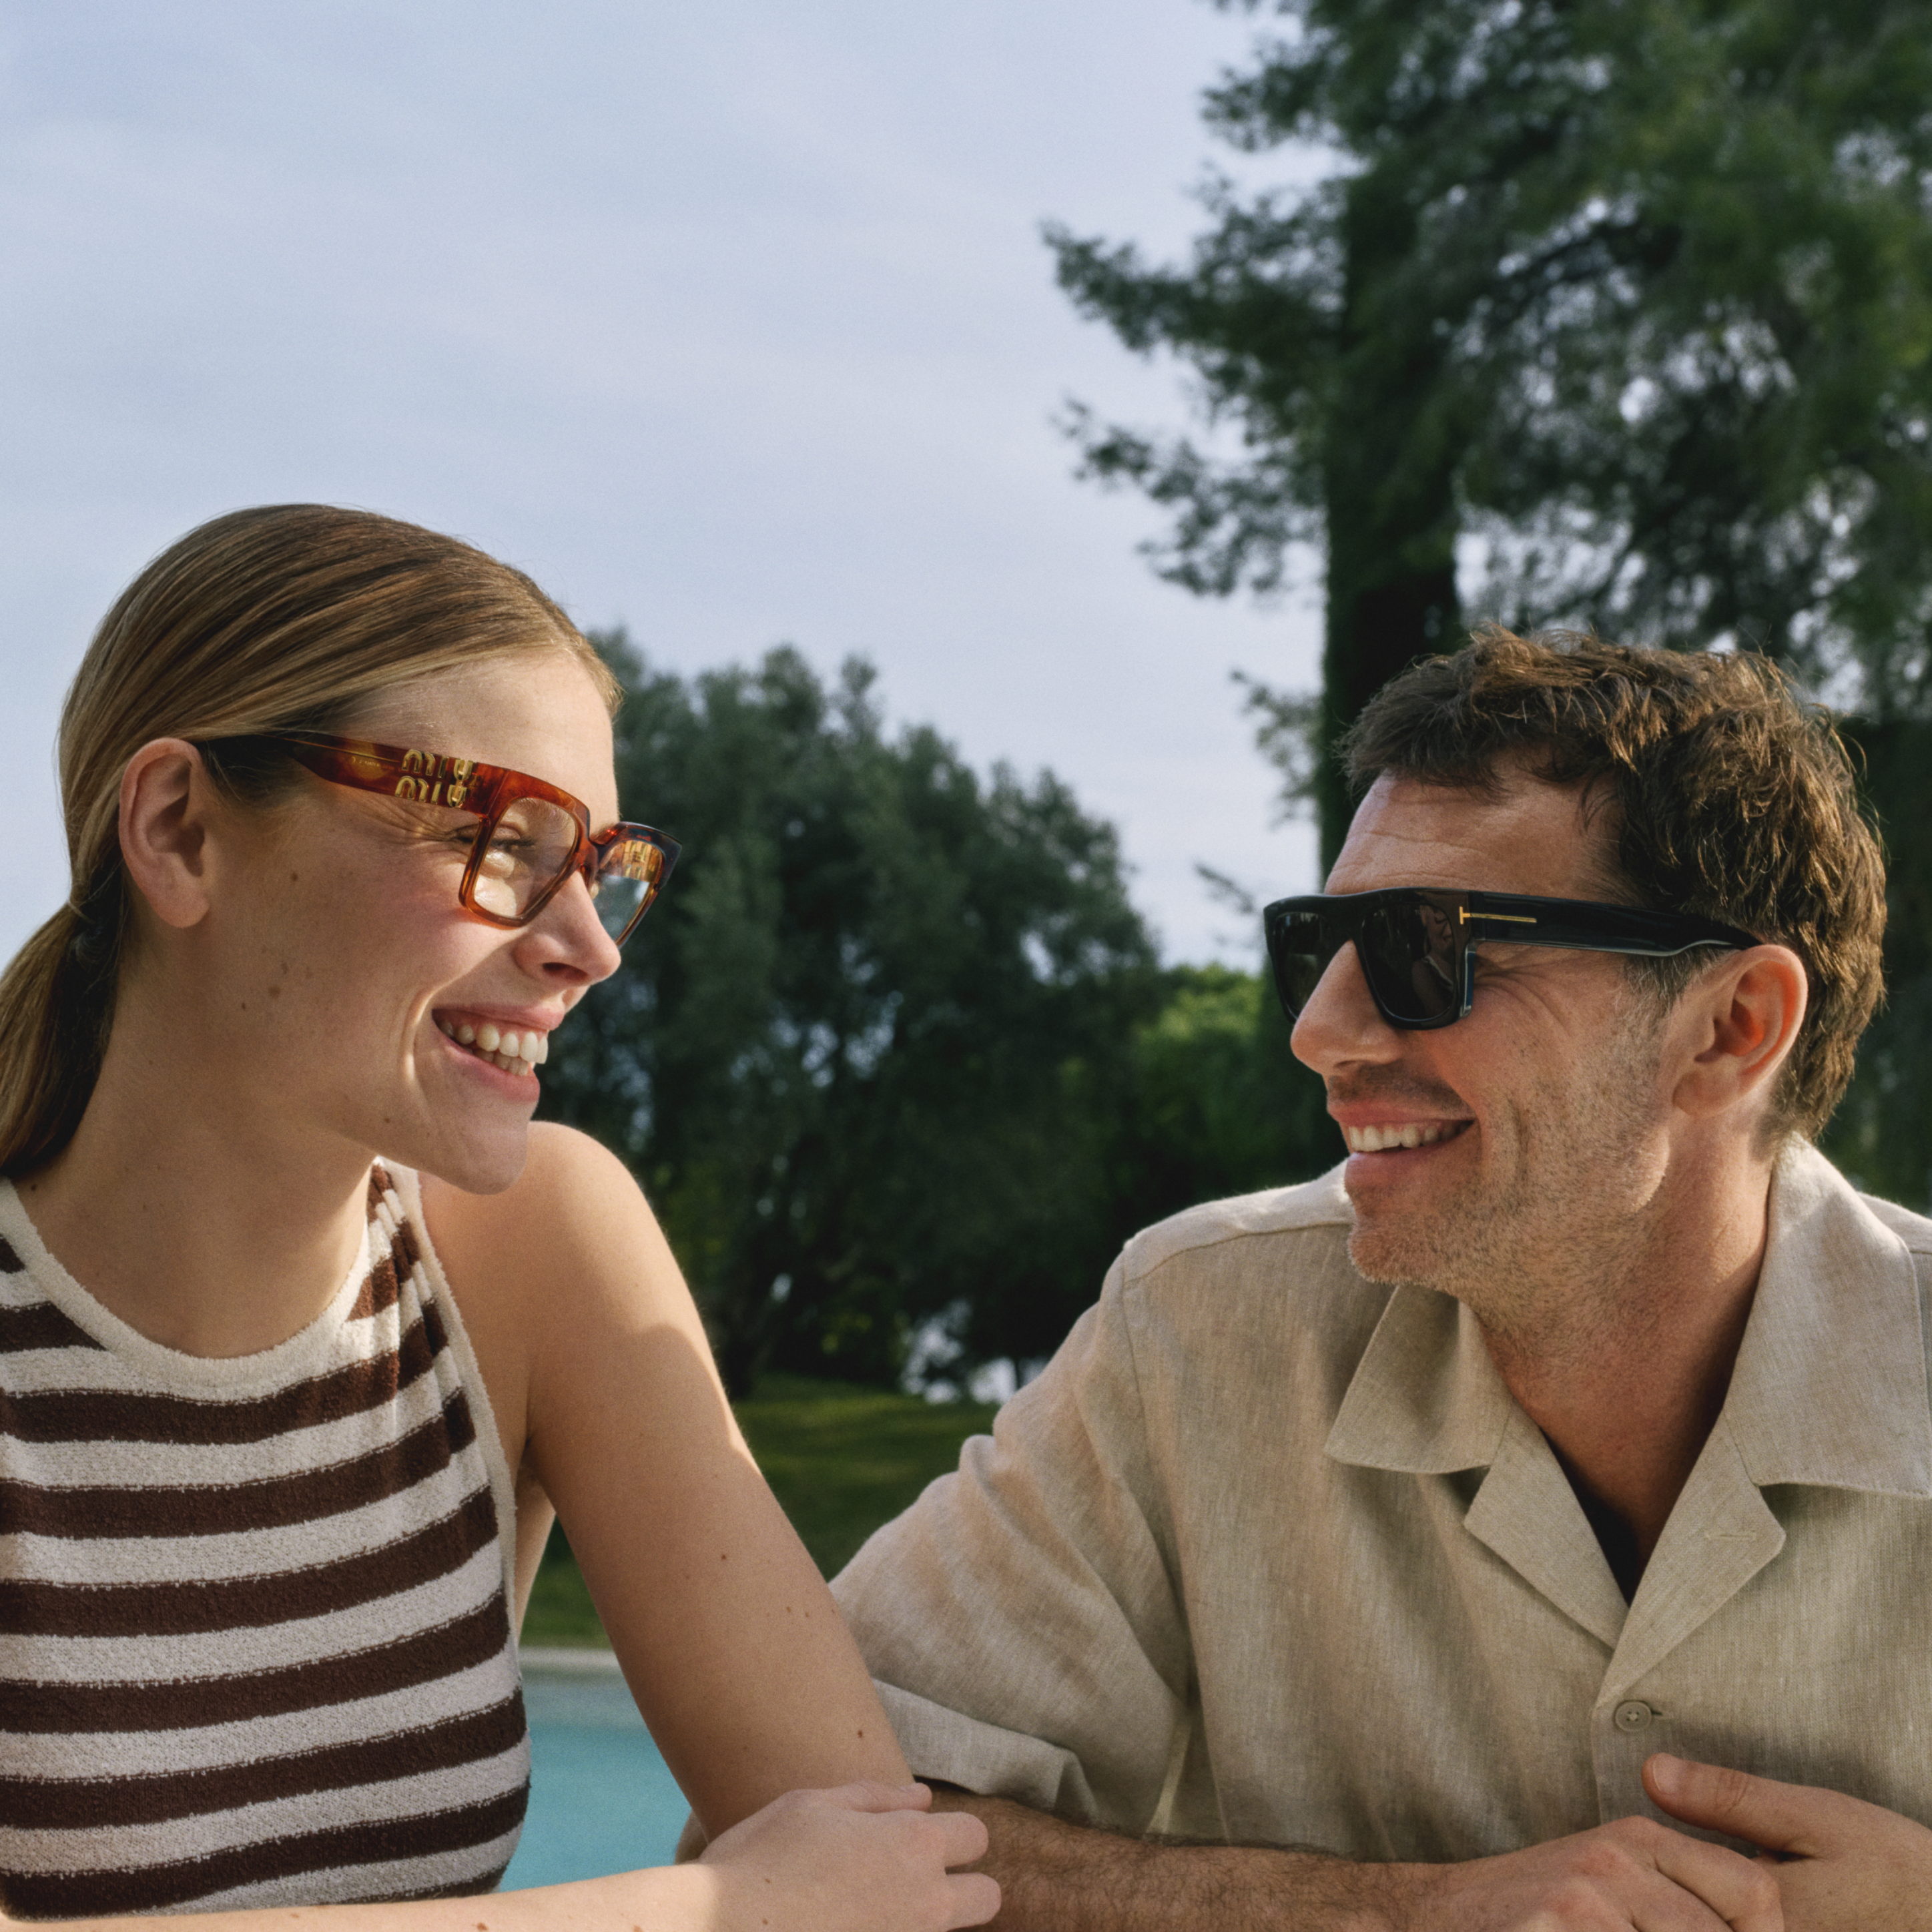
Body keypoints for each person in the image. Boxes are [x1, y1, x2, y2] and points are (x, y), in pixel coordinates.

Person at [831, 628, 1932, 1929]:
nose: (1320, 1033)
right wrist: (1404, 1913)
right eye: (1324, 944)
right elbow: (821, 1824)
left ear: (1728, 1027)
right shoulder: (1202, 1326)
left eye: (1426, 948)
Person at [0, 505, 998, 1932]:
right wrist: (700, 1914)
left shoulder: (530, 1249)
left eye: (601, 865)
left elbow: (883, 1868)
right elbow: (803, 1894)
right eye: (504, 841)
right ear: (180, 831)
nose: (586, 945)